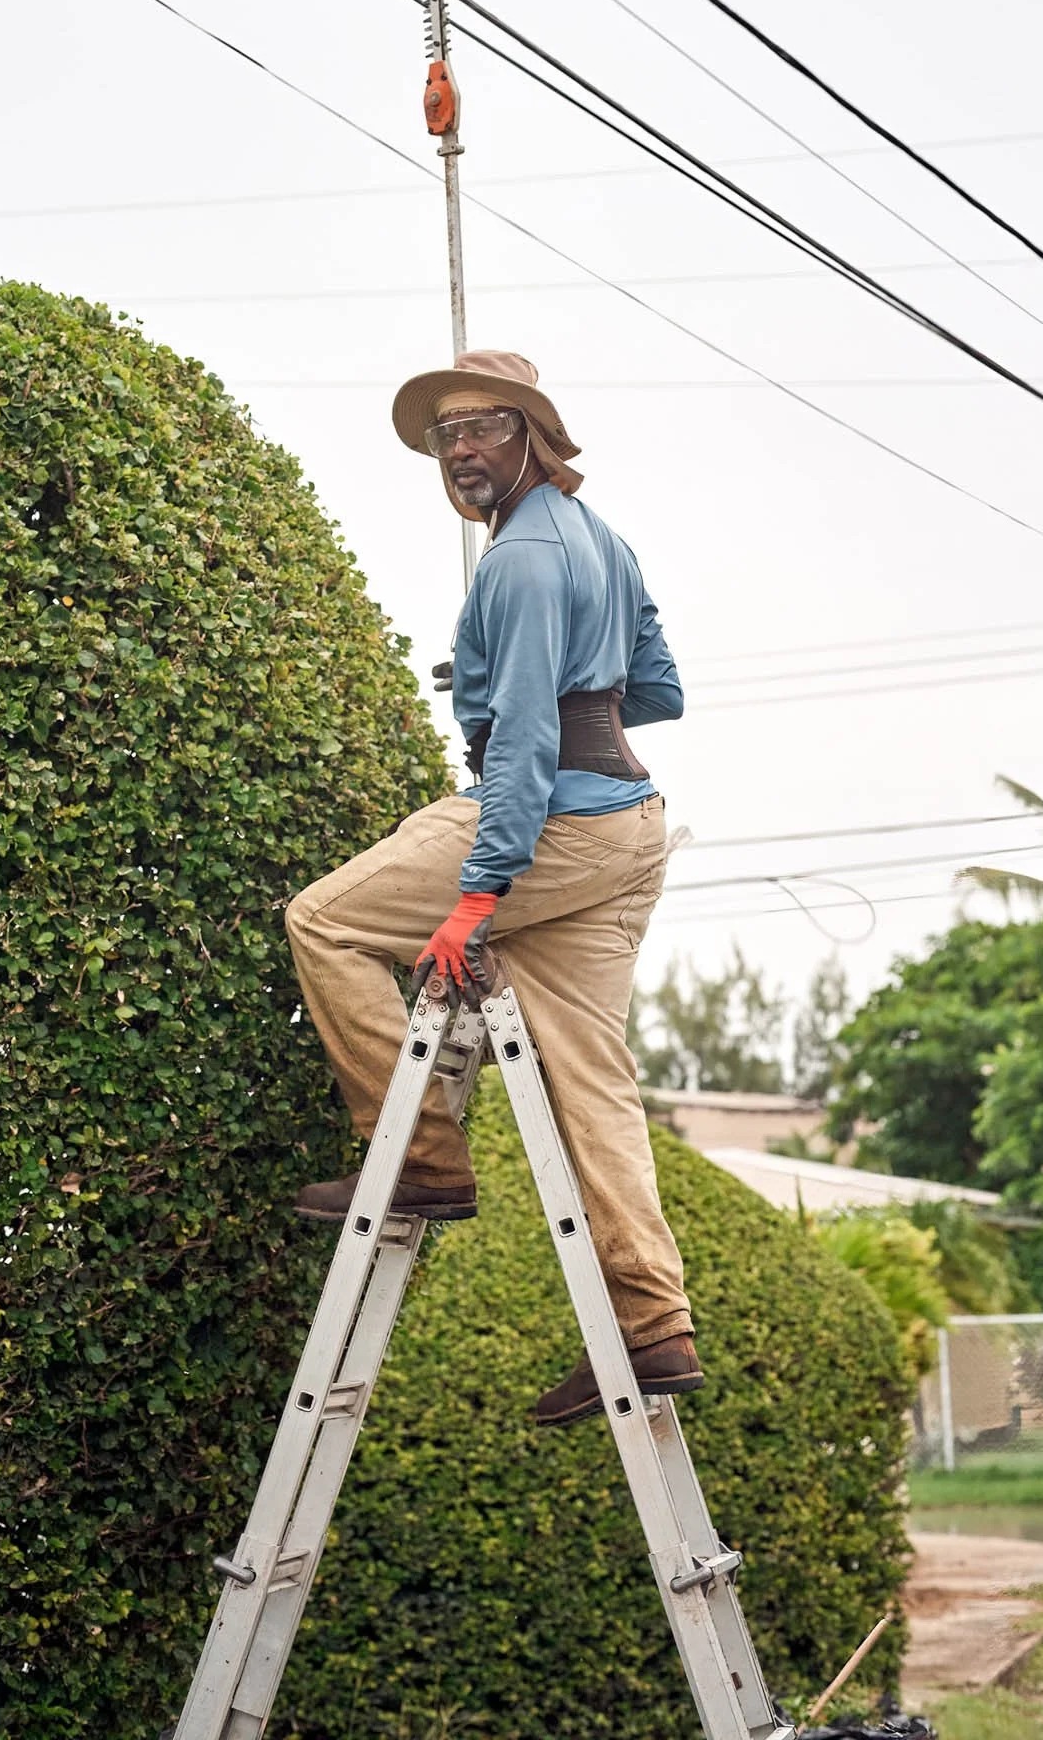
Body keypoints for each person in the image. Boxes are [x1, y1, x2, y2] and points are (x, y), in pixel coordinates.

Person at [285, 349, 697, 1428]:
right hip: (629, 824)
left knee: (322, 920)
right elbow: (656, 687)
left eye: (481, 428)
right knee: (593, 1082)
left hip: (552, 820)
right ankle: (653, 1319)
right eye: (442, 436)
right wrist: (514, 673)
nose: (459, 451)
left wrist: (479, 890)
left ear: (532, 433)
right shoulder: (599, 537)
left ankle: (420, 1155)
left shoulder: (516, 561)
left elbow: (518, 743)